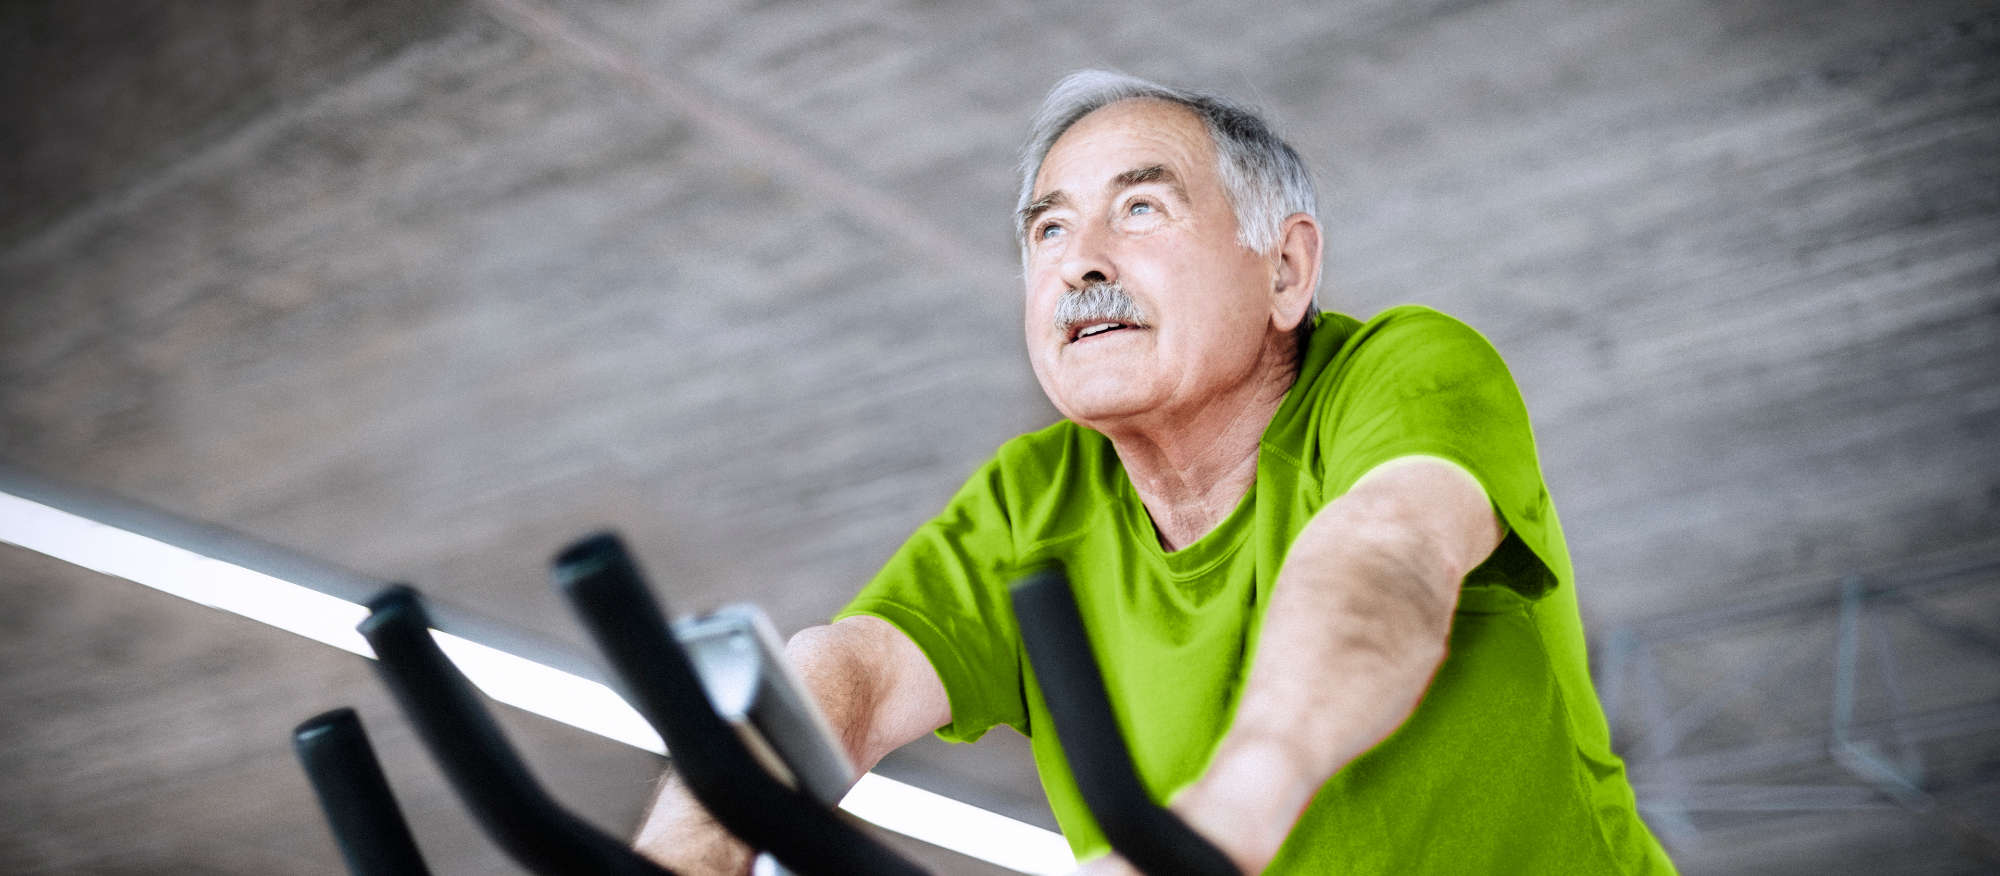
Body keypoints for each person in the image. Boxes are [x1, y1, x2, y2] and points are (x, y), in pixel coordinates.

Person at [633, 70, 1675, 874]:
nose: (1078, 261)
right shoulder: (1033, 498)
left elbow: (1386, 554)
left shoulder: (1400, 374)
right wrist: (699, 829)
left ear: (1284, 269)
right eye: (1048, 227)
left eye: (1138, 210)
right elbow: (853, 671)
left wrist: (1228, 811)